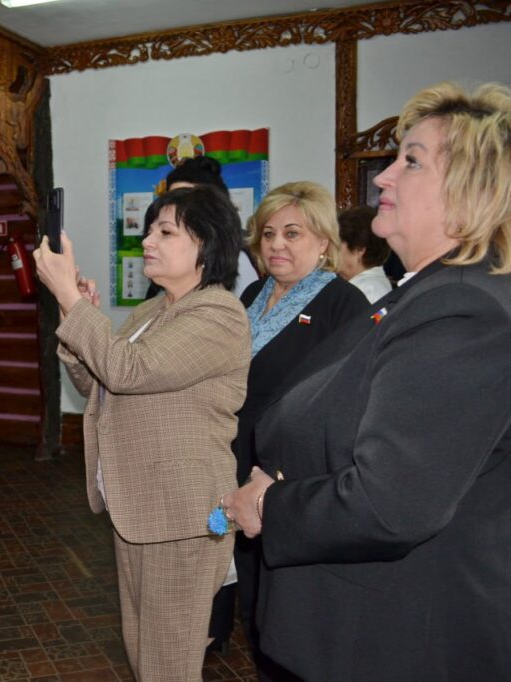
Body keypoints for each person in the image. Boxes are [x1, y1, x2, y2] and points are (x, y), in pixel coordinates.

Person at [223, 81, 511, 680]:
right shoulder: (422, 293)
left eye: (411, 161)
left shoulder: (463, 310)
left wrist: (270, 503)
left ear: (471, 188)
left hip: (394, 637)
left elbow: (390, 502)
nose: (383, 177)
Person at [34, 186, 250, 680]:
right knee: (143, 652)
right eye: (150, 229)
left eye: (165, 232)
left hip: (182, 516)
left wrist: (69, 296)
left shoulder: (218, 314)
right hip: (142, 507)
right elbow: (99, 385)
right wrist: (74, 316)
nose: (147, 241)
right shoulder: (154, 310)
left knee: (167, 662)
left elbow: (128, 370)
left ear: (206, 245)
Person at [233, 180, 367, 674]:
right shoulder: (253, 293)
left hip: (292, 475)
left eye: (293, 233)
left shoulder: (343, 303)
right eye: (269, 234)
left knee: (286, 608)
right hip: (239, 459)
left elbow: (345, 401)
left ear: (324, 241)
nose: (277, 245)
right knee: (251, 594)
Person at [146, 155, 259, 299]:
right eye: (173, 196)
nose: (179, 204)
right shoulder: (164, 270)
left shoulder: (238, 261)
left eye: (190, 197)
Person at [337, 204, 393, 301]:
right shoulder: (369, 286)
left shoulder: (368, 291)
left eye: (337, 246)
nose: (332, 253)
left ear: (358, 250)